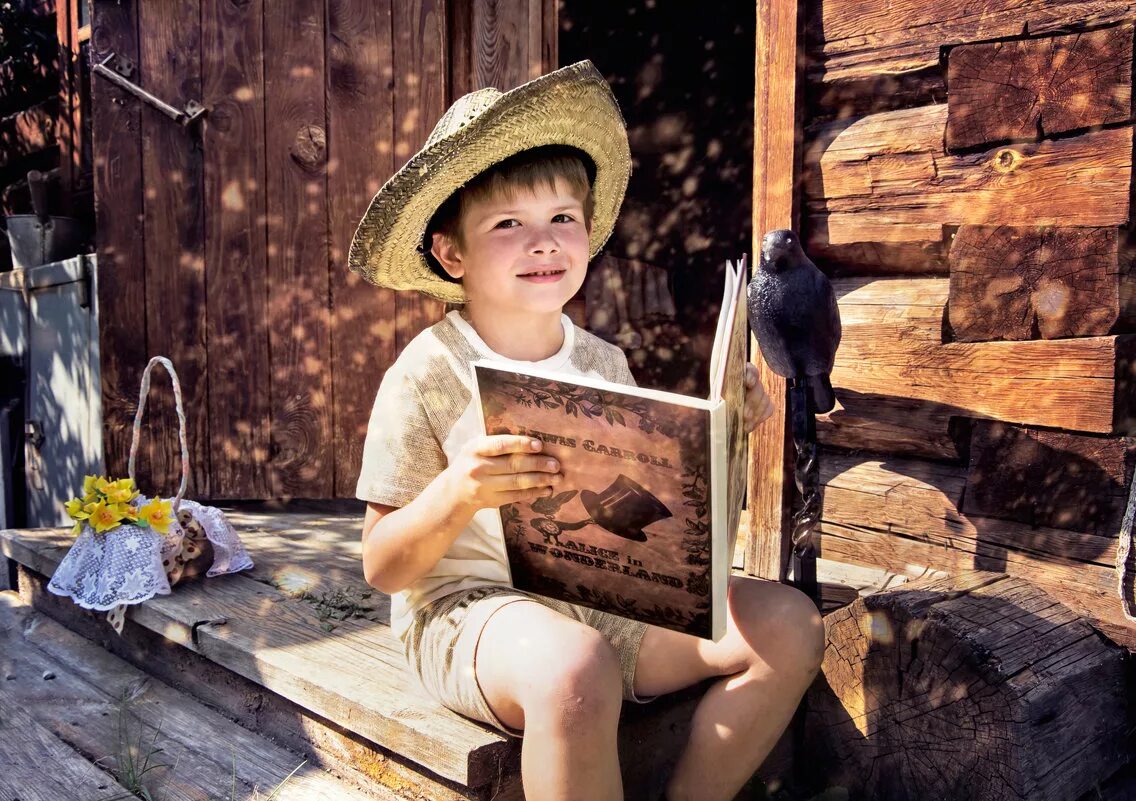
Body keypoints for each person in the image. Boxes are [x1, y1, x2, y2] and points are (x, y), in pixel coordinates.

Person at [348, 60, 825, 801]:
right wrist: (458, 492)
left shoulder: (603, 360)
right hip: (470, 614)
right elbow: (383, 565)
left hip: (614, 601)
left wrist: (723, 446)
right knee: (575, 668)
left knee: (791, 624)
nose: (543, 242)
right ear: (451, 253)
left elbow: (655, 521)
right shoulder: (429, 371)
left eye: (562, 219)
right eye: (508, 224)